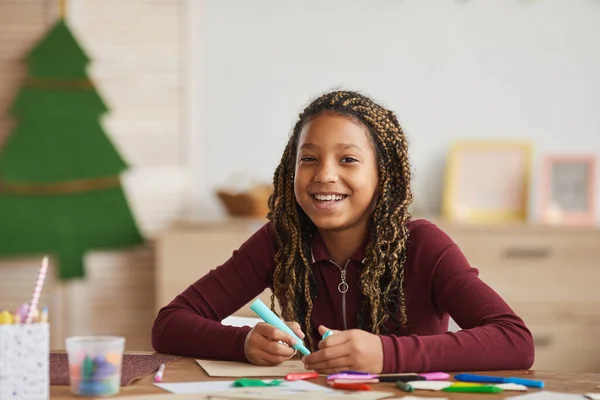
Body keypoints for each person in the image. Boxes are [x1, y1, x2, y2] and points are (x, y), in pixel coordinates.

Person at [151, 90, 534, 374]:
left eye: (348, 159)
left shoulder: (423, 246)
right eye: (309, 159)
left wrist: (387, 355)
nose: (324, 175)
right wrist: (244, 342)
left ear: (385, 175)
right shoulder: (280, 241)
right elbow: (170, 323)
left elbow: (515, 341)